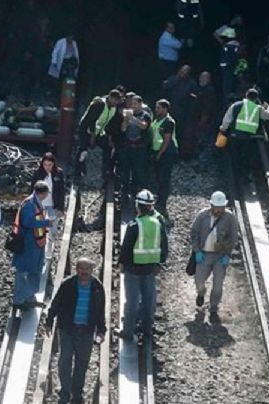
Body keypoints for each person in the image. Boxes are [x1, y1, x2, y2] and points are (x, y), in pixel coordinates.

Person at [45, 258, 106, 404]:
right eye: (81, 268)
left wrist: (101, 330)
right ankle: (65, 392)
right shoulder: (68, 284)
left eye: (87, 268)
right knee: (64, 360)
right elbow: (56, 303)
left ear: (92, 270)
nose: (84, 271)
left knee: (82, 363)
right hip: (67, 329)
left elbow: (100, 311)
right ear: (76, 269)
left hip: (86, 330)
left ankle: (77, 392)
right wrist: (49, 321)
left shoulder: (97, 287)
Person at [116, 190, 168, 341]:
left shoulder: (134, 224)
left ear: (137, 206)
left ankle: (127, 331)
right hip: (150, 268)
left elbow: (126, 248)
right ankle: (147, 329)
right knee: (149, 299)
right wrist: (160, 263)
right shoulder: (158, 222)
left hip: (133, 269)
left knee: (132, 301)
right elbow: (164, 244)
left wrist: (121, 264)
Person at [190, 191, 239, 318]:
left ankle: (213, 308)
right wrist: (197, 251)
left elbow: (233, 237)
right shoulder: (202, 216)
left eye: (221, 207)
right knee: (199, 281)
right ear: (211, 205)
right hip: (204, 254)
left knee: (218, 285)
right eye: (217, 207)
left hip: (220, 256)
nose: (219, 210)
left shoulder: (230, 218)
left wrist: (227, 254)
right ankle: (201, 293)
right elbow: (194, 233)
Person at [218, 88, 269, 183]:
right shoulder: (258, 108)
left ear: (246, 95)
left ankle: (235, 177)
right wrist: (268, 107)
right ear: (256, 98)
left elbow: (227, 119)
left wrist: (223, 129)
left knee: (235, 156)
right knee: (246, 158)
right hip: (249, 138)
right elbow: (268, 116)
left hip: (235, 135)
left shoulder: (236, 105)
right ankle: (245, 176)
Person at [12, 181, 52, 309]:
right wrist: (45, 223)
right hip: (28, 242)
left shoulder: (36, 203)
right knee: (23, 270)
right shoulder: (29, 204)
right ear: (44, 193)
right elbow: (28, 222)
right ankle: (19, 299)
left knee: (34, 269)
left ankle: (29, 296)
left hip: (37, 242)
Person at [77, 89, 123, 179]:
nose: (116, 103)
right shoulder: (99, 104)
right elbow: (91, 121)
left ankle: (104, 173)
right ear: (110, 98)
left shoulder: (114, 107)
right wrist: (92, 138)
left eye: (117, 101)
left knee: (107, 148)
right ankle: (78, 172)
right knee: (83, 150)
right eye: (114, 100)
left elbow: (110, 123)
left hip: (99, 132)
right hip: (87, 130)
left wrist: (109, 137)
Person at [118, 95, 152, 200]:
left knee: (139, 170)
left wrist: (133, 118)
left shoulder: (146, 115)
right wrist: (126, 120)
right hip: (128, 147)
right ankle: (124, 190)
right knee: (125, 169)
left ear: (140, 104)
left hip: (140, 148)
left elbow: (144, 126)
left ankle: (138, 191)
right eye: (132, 104)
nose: (133, 106)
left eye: (135, 104)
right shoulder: (128, 115)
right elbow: (123, 129)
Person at [150, 99, 178, 219]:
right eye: (156, 108)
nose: (156, 110)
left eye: (159, 108)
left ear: (165, 109)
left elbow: (166, 140)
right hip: (158, 151)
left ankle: (162, 203)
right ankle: (158, 199)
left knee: (164, 178)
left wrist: (159, 154)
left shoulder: (168, 122)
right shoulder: (157, 120)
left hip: (167, 153)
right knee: (158, 176)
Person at [161, 65, 197, 158]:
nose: (183, 73)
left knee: (180, 134)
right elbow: (165, 86)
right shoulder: (173, 79)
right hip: (170, 111)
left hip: (183, 113)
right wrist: (176, 79)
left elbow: (194, 97)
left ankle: (178, 154)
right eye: (182, 71)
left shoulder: (191, 83)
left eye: (186, 72)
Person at [31, 153, 66, 246]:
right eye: (45, 164)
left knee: (53, 228)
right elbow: (32, 190)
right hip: (40, 204)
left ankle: (50, 246)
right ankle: (41, 245)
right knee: (40, 226)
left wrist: (61, 208)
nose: (47, 167)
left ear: (54, 164)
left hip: (53, 204)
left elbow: (62, 191)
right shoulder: (38, 173)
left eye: (49, 165)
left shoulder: (59, 173)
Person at [192, 72, 218, 165]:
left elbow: (208, 106)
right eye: (200, 77)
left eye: (204, 78)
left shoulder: (209, 91)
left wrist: (204, 118)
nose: (201, 80)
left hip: (206, 119)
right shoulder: (202, 89)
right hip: (201, 117)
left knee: (204, 140)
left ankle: (202, 162)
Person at [218, 27, 240, 104]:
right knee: (226, 88)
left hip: (230, 70)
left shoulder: (232, 47)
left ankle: (229, 103)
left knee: (228, 88)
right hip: (227, 70)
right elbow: (216, 33)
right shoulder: (226, 46)